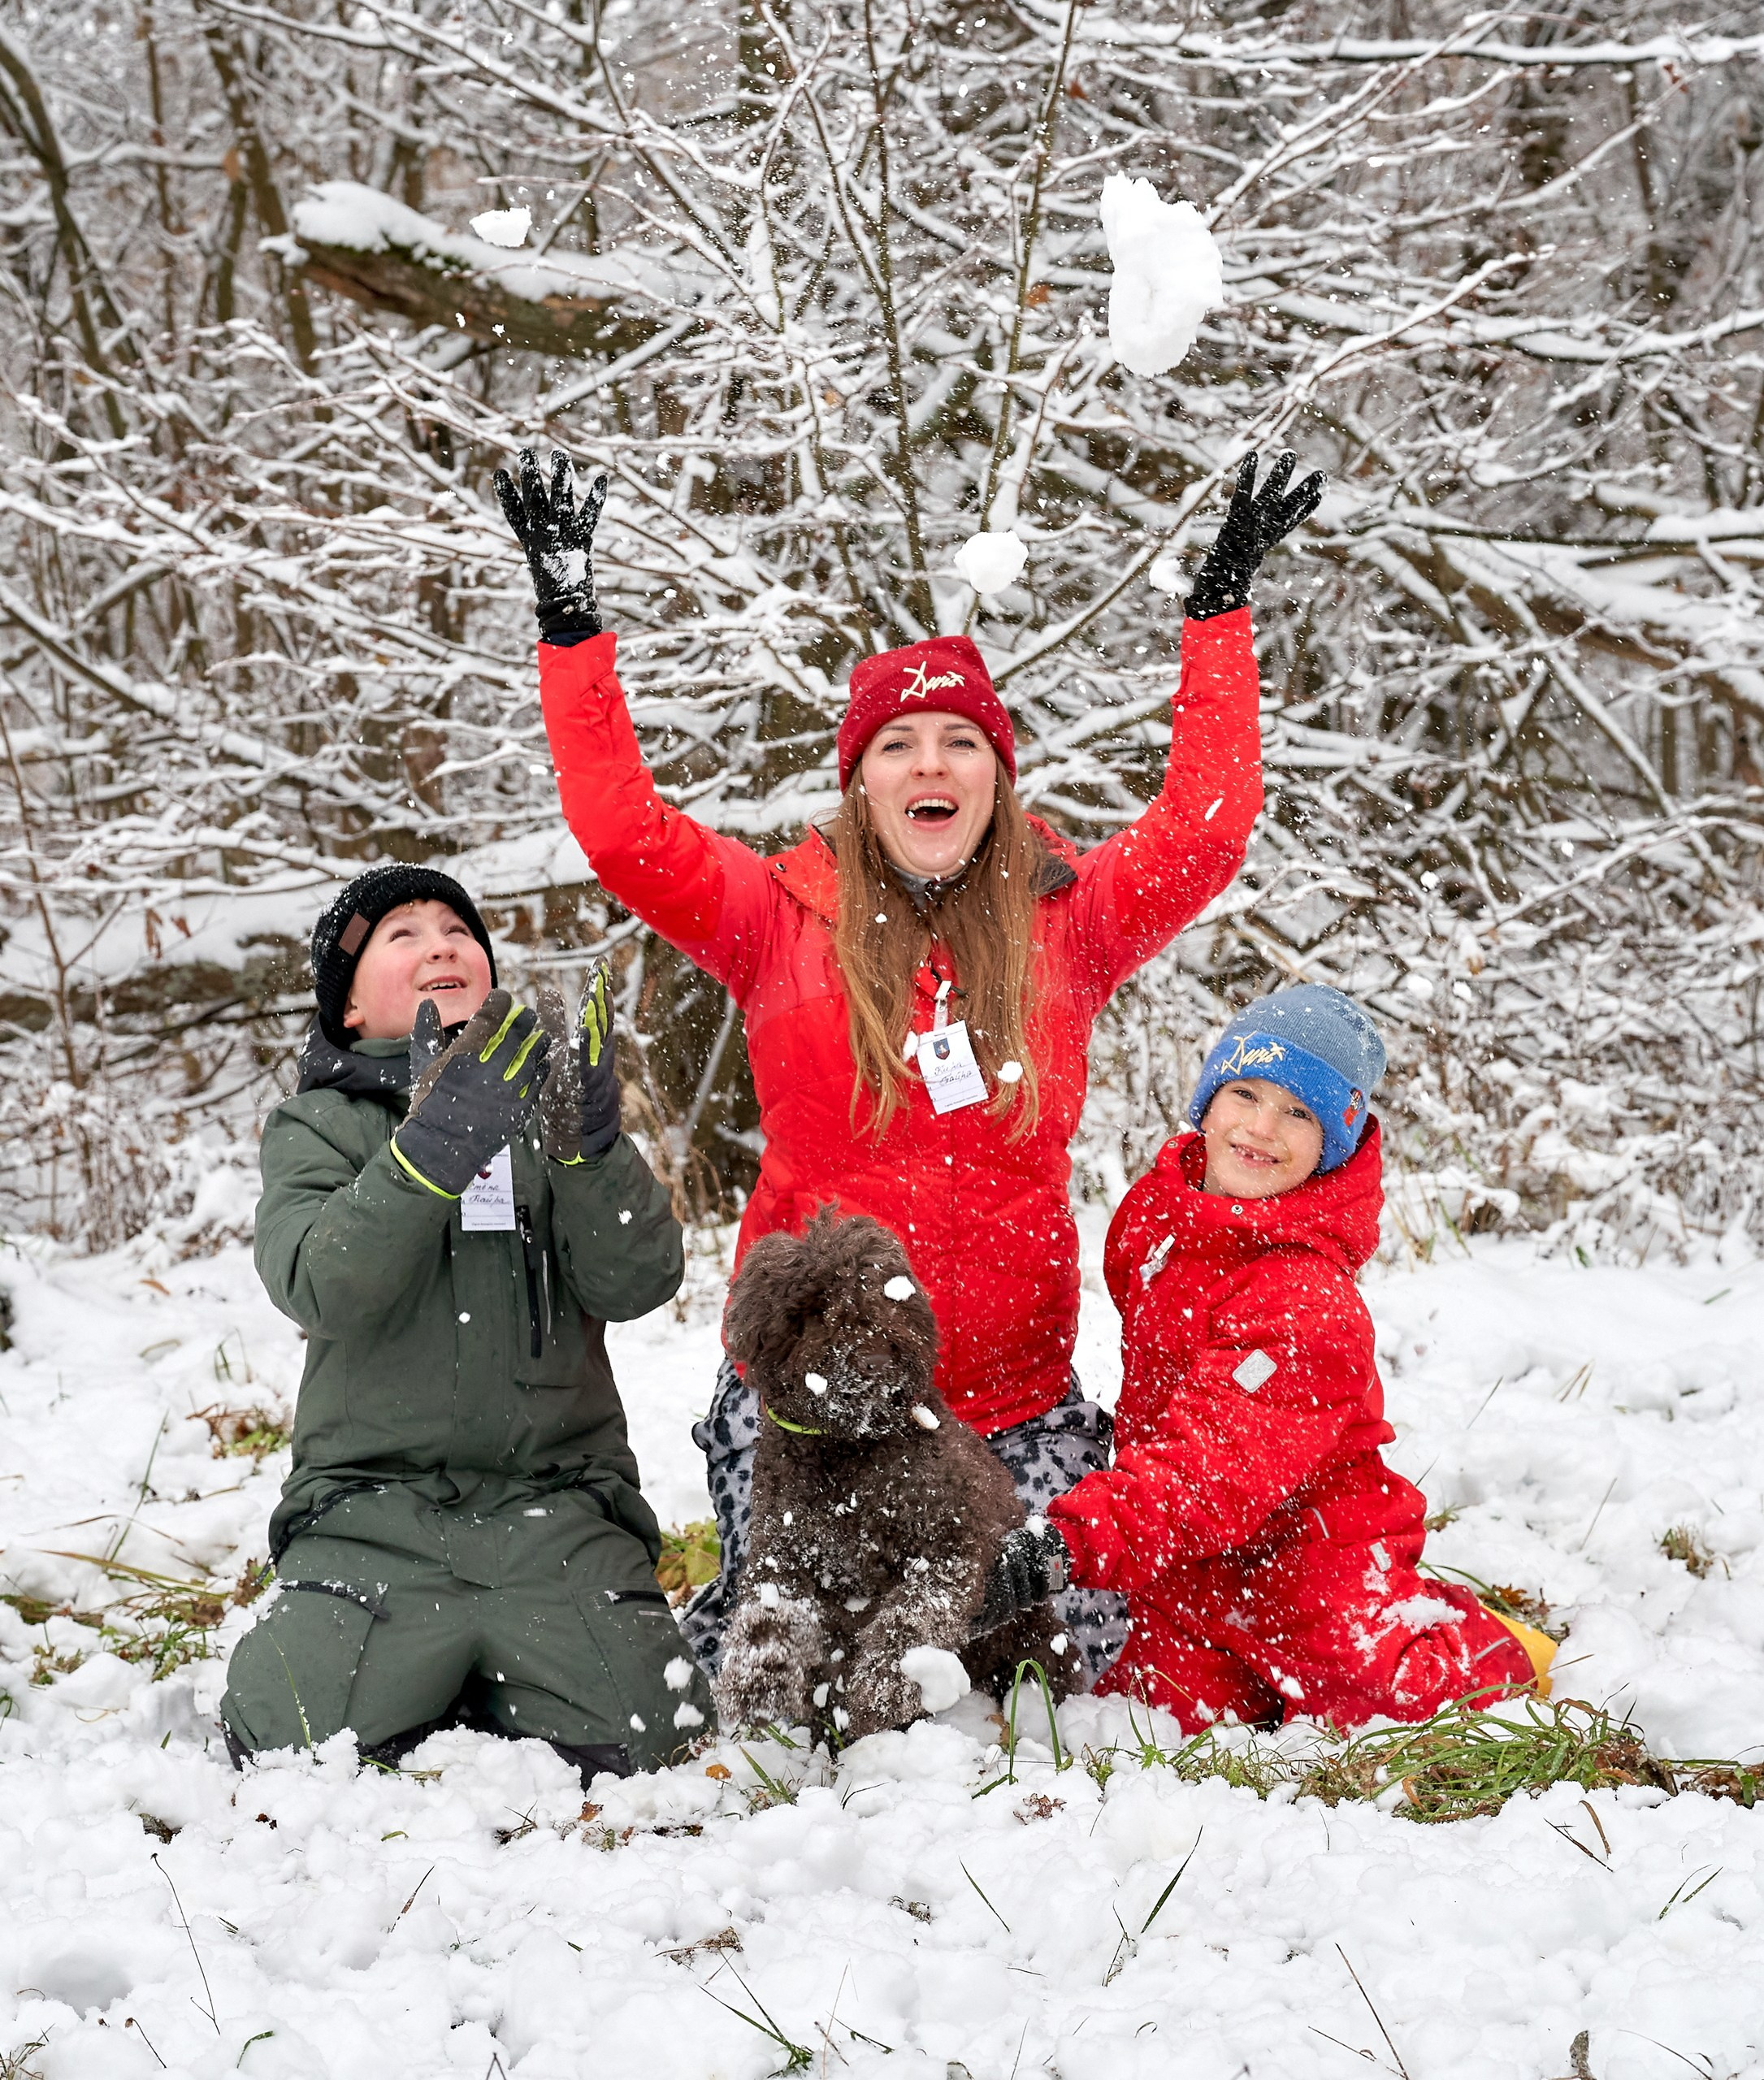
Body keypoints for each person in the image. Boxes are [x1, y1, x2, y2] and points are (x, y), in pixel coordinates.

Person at [496, 447, 1324, 1680]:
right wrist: (571, 623)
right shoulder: (771, 916)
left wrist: (1214, 620)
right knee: (796, 1669)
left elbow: (1204, 832)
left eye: (957, 743)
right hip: (809, 1404)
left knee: (1073, 1658)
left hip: (1012, 1402)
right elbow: (623, 832)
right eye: (897, 746)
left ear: (995, 777)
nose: (927, 765)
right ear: (858, 782)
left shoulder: (1066, 922)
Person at [221, 864, 713, 1778]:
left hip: (557, 1511)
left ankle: (475, 1663)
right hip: (371, 1515)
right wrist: (426, 1153)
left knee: (660, 1730)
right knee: (285, 1731)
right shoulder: (320, 1126)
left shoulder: (553, 1111)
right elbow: (316, 1283)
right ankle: (445, 1659)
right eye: (401, 935)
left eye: (457, 929)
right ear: (350, 1012)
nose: (441, 941)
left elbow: (639, 1279)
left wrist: (592, 1152)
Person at [990, 985, 1554, 1729]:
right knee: (1156, 1719)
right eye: (1246, 1093)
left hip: (1307, 1557)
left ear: (1335, 1141)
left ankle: (1486, 1645)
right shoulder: (1156, 1217)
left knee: (1387, 1699)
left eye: (1298, 1112)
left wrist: (1067, 1542)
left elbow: (1214, 1462)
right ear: (1208, 1099)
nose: (1260, 1128)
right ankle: (1247, 1674)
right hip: (1190, 1557)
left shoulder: (1304, 1302)